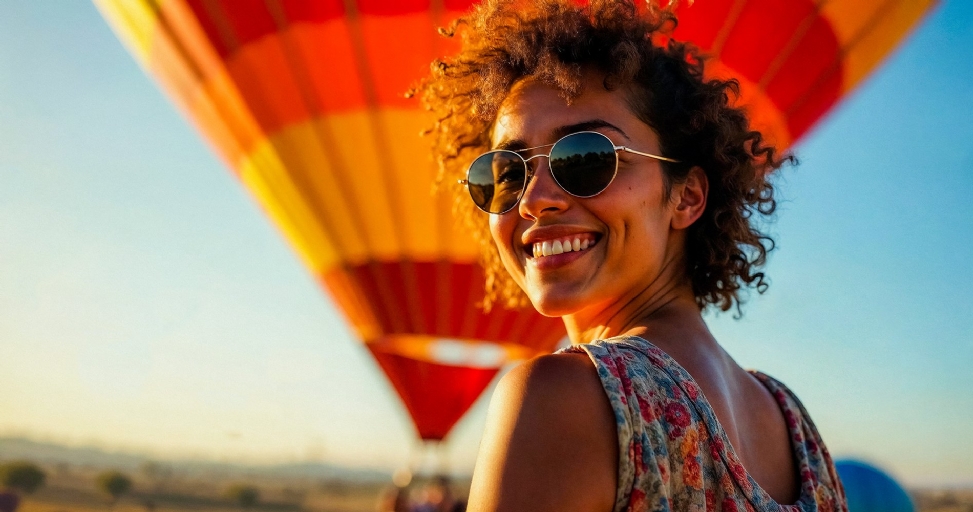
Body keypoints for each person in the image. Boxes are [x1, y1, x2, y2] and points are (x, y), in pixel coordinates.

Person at [417, 0, 847, 510]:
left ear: (686, 196)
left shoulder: (561, 398)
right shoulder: (795, 427)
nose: (534, 199)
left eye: (585, 157)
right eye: (506, 172)